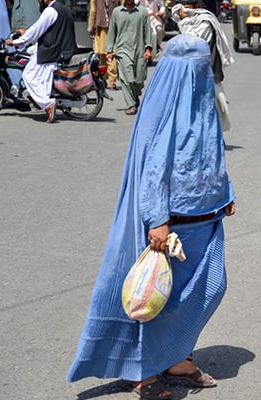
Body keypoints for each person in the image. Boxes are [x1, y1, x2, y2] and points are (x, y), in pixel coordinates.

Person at [67, 34, 236, 400]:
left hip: (208, 215)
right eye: (194, 68)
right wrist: (157, 219)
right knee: (159, 299)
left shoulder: (203, 99)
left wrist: (227, 194)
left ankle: (176, 356)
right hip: (173, 223)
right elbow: (153, 169)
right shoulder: (164, 108)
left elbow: (213, 151)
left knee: (209, 288)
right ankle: (145, 370)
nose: (200, 74)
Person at [5, 0, 77, 123]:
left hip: (52, 52)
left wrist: (16, 41)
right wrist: (26, 34)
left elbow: (36, 30)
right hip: (62, 49)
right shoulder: (62, 8)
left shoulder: (50, 11)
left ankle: (47, 104)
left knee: (28, 75)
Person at [171, 0, 235, 131]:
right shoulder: (188, 21)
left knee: (209, 111)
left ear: (195, 7)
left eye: (186, 7)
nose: (183, 10)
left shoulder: (205, 22)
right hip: (188, 73)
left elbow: (193, 42)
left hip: (207, 74)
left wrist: (183, 21)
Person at [106, 0, 153, 115]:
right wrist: (109, 50)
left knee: (139, 80)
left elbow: (148, 31)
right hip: (122, 51)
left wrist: (148, 49)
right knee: (127, 79)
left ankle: (135, 96)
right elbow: (112, 31)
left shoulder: (142, 12)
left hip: (139, 50)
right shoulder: (117, 12)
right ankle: (131, 104)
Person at [88, 0, 122, 90]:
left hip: (106, 26)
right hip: (109, 26)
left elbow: (93, 10)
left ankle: (107, 79)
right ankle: (109, 79)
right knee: (108, 53)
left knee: (105, 53)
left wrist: (91, 26)